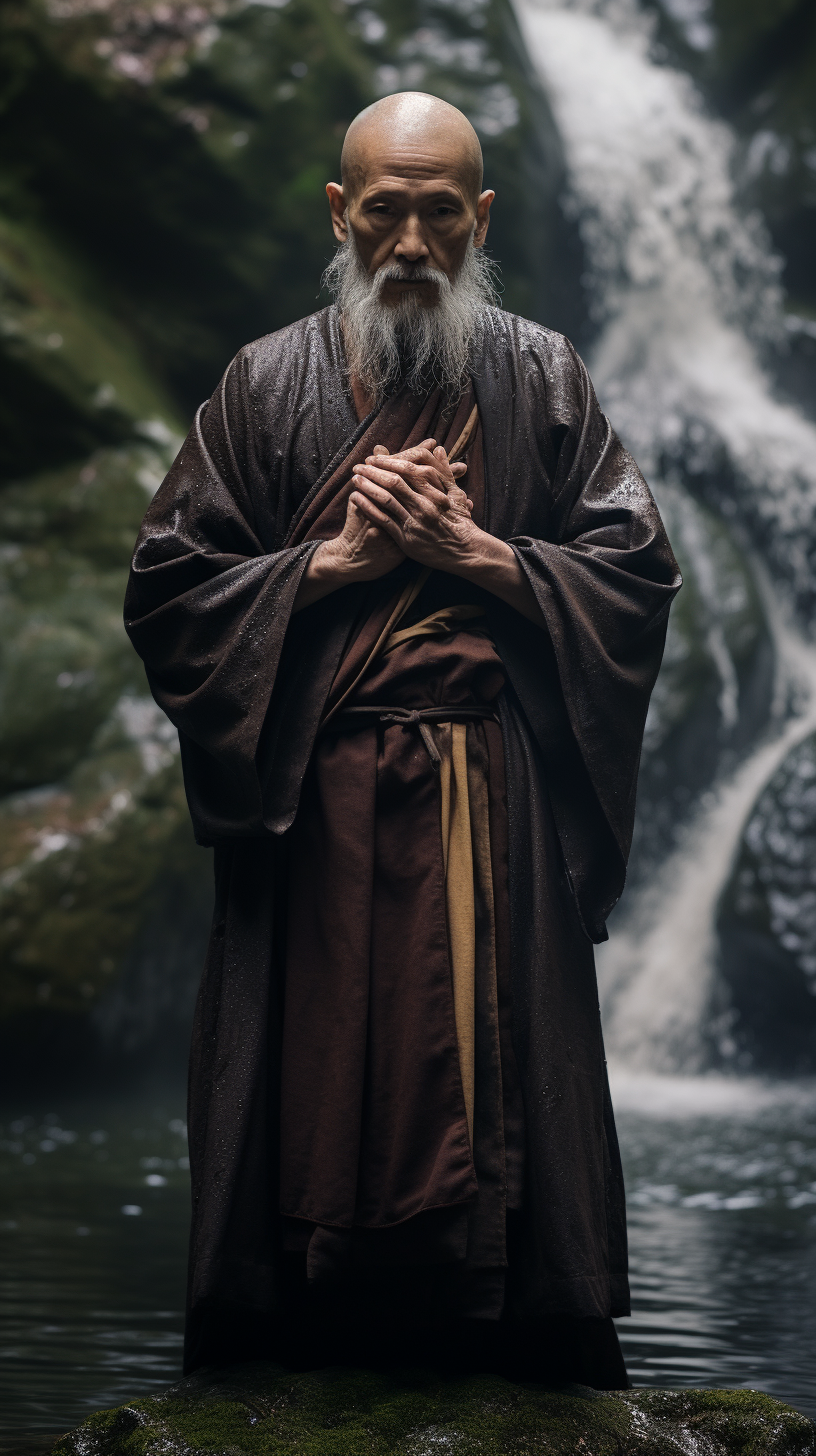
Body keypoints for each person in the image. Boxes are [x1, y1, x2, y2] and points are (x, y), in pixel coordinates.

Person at [125, 91, 681, 1389]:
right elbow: (168, 592)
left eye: (442, 215)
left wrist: (476, 553)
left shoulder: (542, 375)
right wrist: (337, 562)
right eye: (387, 214)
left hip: (492, 798)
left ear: (480, 218)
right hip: (315, 807)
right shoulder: (264, 387)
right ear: (341, 214)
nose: (414, 245)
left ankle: (510, 1341)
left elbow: (637, 572)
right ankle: (306, 1341)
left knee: (499, 1092)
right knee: (315, 1083)